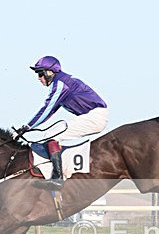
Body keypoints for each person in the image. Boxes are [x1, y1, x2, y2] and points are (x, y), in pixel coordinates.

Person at [19, 55, 108, 189]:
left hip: (95, 116)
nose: (39, 78)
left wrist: (27, 126)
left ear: (50, 72)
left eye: (40, 73)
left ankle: (57, 178)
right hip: (93, 115)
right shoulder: (62, 82)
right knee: (51, 133)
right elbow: (52, 110)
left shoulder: (60, 84)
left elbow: (47, 109)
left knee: (50, 135)